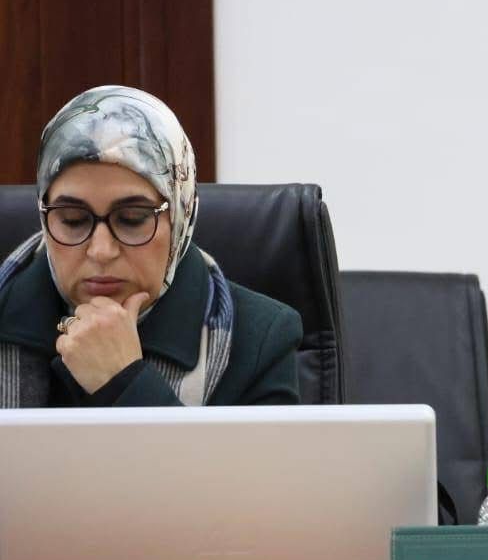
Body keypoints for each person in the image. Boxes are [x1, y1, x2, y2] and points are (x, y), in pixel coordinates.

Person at [0, 85, 301, 407]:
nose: (101, 250)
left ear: (181, 218)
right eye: (73, 220)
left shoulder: (261, 340)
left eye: (132, 220)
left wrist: (125, 382)